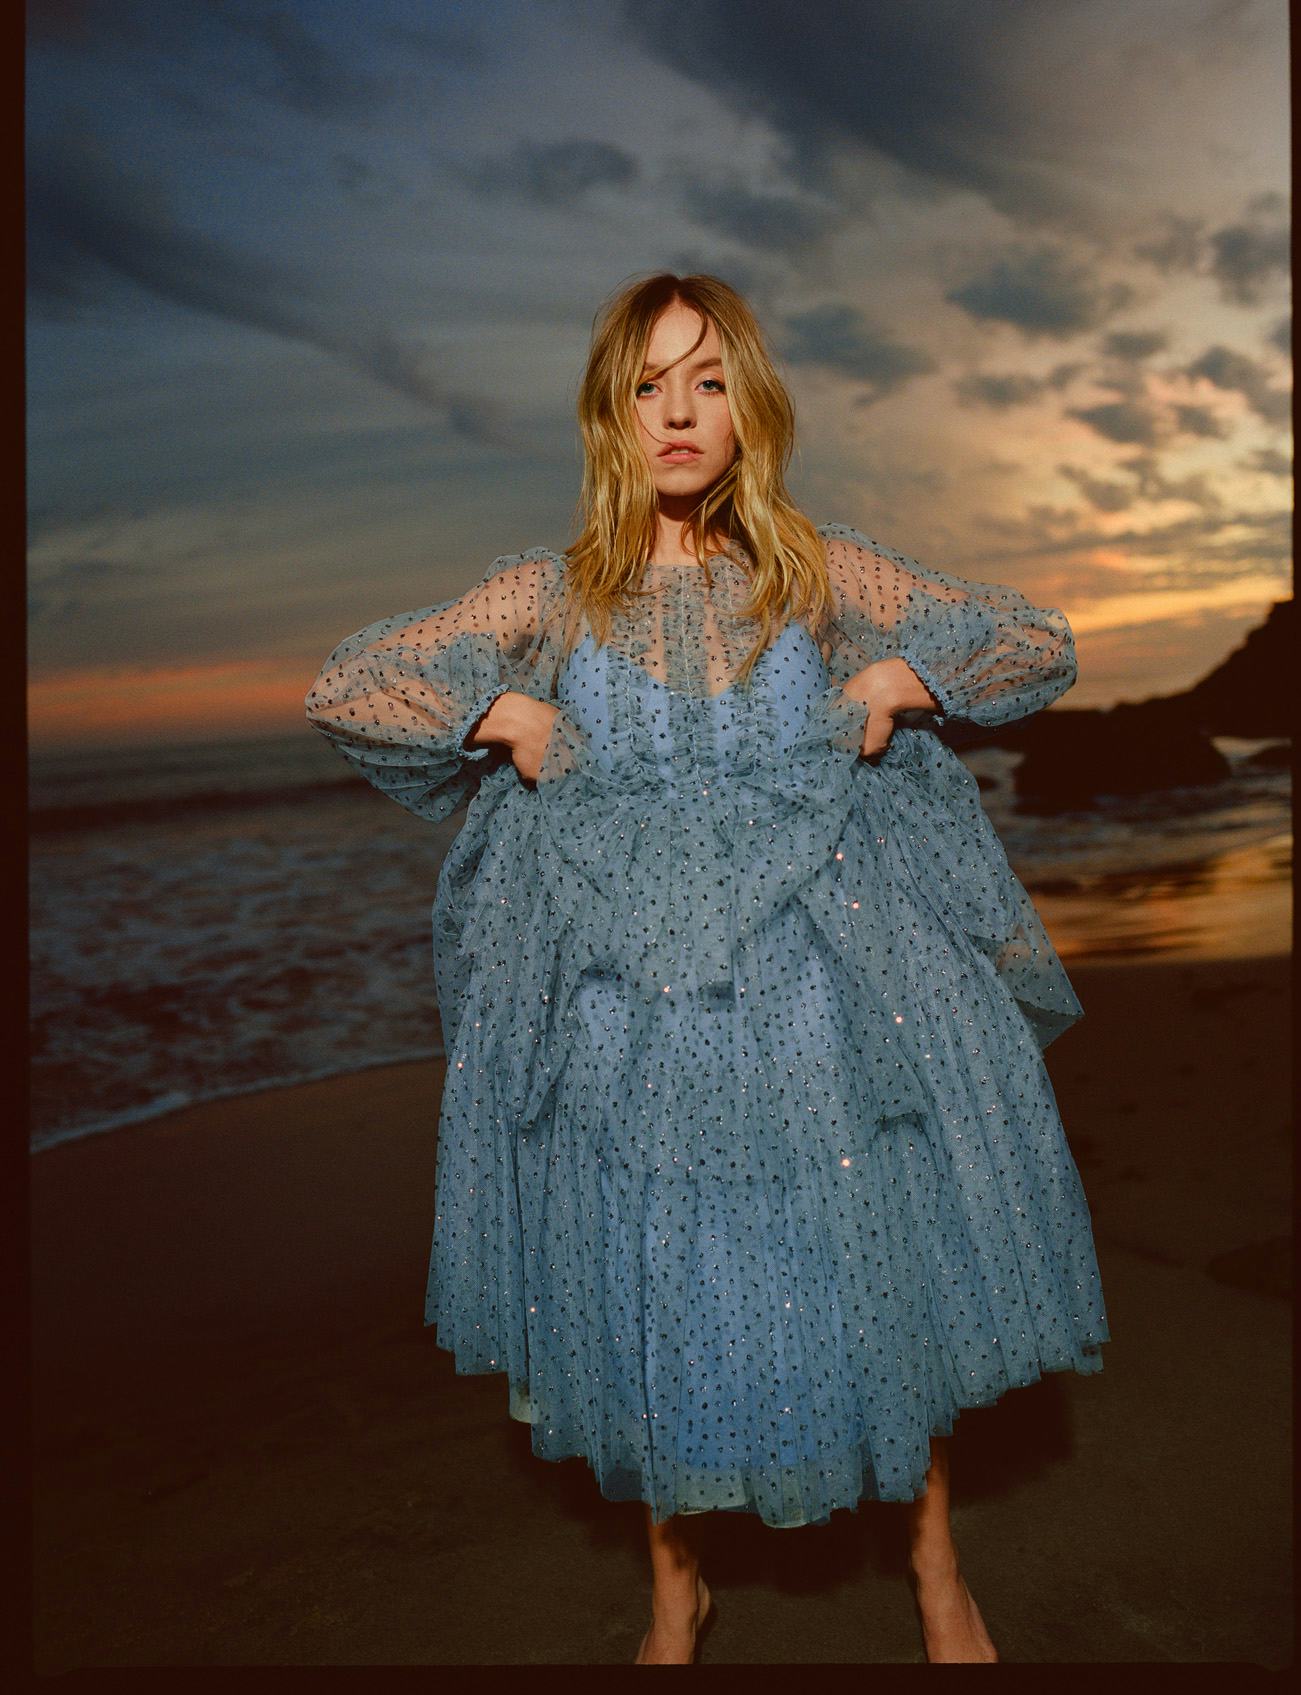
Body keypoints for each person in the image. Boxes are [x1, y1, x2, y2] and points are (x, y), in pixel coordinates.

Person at [304, 272, 1109, 1665]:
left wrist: (898, 682)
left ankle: (935, 1571)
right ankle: (676, 1589)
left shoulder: (816, 573)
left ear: (750, 407)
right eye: (647, 385)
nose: (678, 412)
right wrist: (505, 714)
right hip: (631, 1021)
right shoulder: (554, 594)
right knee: (657, 1296)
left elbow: (1034, 642)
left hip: (819, 1006)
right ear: (610, 414)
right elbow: (351, 686)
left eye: (709, 380)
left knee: (869, 1274)